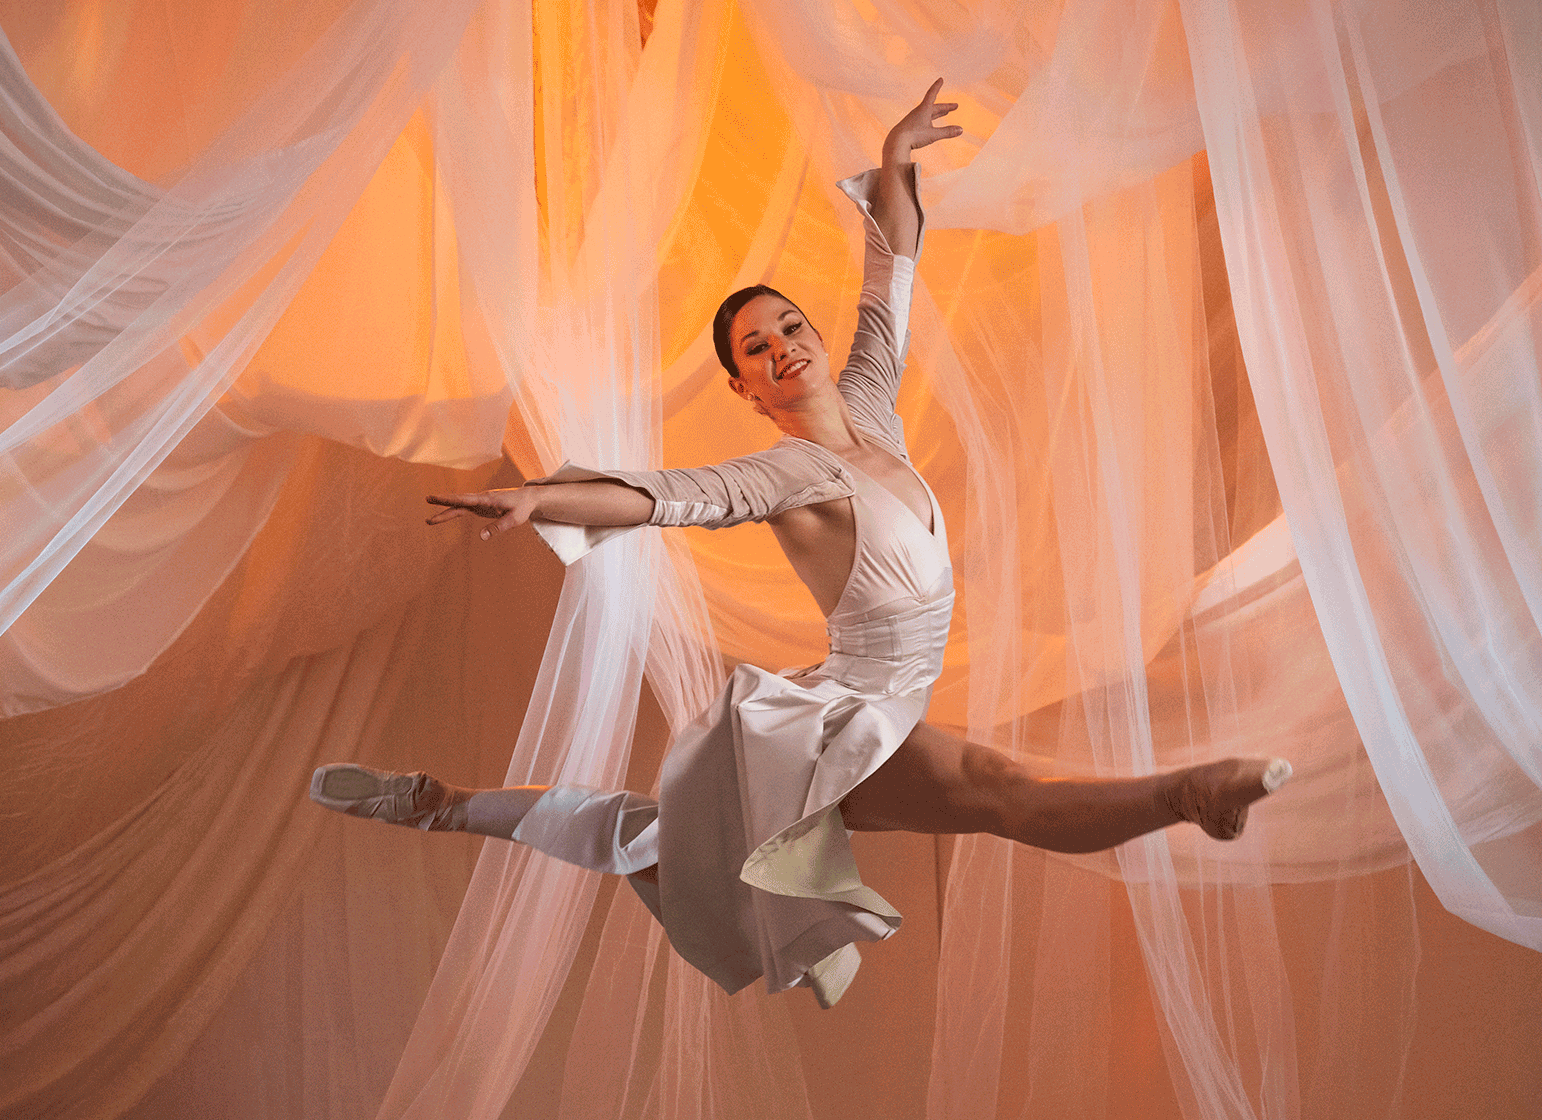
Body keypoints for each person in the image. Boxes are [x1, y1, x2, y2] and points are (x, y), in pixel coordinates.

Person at [308, 80, 1289, 1007]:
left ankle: (441, 804)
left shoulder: (869, 402)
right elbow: (669, 497)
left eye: (787, 326)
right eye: (757, 351)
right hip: (842, 718)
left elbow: (890, 270)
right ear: (747, 389)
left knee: (640, 838)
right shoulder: (786, 475)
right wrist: (544, 499)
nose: (783, 346)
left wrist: (898, 157)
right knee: (995, 791)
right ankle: (1191, 793)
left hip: (847, 715)